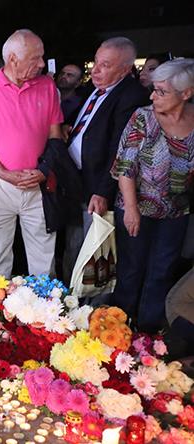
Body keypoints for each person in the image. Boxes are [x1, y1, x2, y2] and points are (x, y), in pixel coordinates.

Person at [0, 29, 64, 277]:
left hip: (38, 184)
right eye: (35, 58)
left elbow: (56, 137)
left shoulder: (48, 87)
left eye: (42, 57)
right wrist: (4, 173)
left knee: (44, 259)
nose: (42, 64)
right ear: (13, 59)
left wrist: (43, 172)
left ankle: (45, 312)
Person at [111, 58, 194, 333]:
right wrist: (132, 209)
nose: (152, 96)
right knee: (131, 269)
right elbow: (125, 166)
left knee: (161, 272)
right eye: (154, 89)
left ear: (186, 93)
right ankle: (118, 329)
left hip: (176, 212)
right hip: (137, 206)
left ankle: (147, 333)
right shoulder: (142, 117)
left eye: (161, 91)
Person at [62, 37, 150, 284]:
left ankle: (93, 312)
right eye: (96, 63)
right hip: (76, 181)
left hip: (98, 187)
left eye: (106, 65)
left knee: (94, 255)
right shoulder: (95, 88)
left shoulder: (131, 96)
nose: (96, 71)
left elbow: (119, 150)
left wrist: (103, 191)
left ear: (124, 69)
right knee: (74, 247)